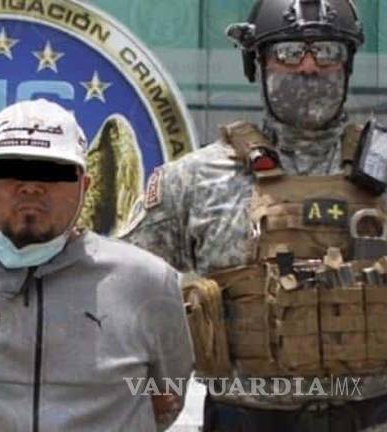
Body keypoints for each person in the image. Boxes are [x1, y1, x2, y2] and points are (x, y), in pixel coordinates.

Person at [122, 0, 387, 430]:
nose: (308, 67)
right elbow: (120, 295)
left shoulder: (382, 173)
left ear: (347, 64)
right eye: (288, 52)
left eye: (327, 51)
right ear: (257, 64)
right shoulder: (193, 180)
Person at [0, 98, 194, 431]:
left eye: (52, 171)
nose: (30, 187)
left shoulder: (148, 283)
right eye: (9, 170)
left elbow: (164, 401)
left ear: (84, 187)